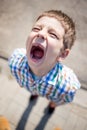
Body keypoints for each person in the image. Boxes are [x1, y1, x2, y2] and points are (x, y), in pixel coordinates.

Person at [9, 10, 81, 113]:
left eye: (53, 34)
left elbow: (65, 99)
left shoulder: (67, 86)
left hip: (52, 96)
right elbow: (17, 76)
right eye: (36, 28)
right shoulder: (15, 61)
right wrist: (22, 82)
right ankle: (34, 93)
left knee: (53, 102)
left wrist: (55, 103)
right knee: (34, 91)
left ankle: (51, 104)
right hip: (33, 88)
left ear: (62, 54)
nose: (40, 33)